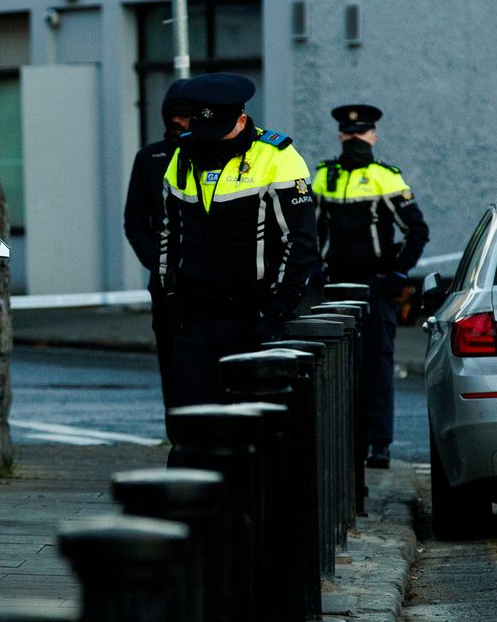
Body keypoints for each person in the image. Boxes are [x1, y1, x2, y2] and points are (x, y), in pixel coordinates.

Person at [159, 72, 318, 407]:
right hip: (194, 318)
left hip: (253, 316)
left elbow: (301, 243)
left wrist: (276, 311)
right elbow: (168, 232)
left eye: (219, 130)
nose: (211, 139)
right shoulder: (183, 155)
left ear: (242, 118)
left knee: (253, 429)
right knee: (192, 425)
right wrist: (169, 293)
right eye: (204, 130)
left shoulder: (277, 157)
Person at [312, 104, 429, 469]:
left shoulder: (386, 178)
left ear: (373, 137)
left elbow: (417, 230)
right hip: (335, 286)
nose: (354, 139)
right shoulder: (323, 177)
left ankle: (379, 443)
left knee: (377, 366)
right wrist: (315, 270)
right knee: (337, 366)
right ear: (340, 136)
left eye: (361, 133)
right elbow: (309, 232)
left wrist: (397, 275)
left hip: (375, 286)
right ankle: (347, 442)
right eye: (348, 134)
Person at [124, 79, 192, 408]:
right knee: (173, 371)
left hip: (208, 282)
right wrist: (160, 264)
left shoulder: (210, 155)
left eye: (186, 116)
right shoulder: (151, 158)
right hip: (167, 286)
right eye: (173, 117)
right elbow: (135, 221)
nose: (178, 123)